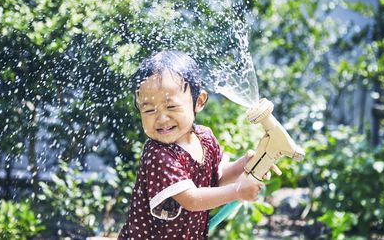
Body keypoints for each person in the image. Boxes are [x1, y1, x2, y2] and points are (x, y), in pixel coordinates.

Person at [118, 50, 281, 240]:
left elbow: (217, 178)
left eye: (171, 106)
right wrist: (238, 191)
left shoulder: (204, 137)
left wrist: (244, 164)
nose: (161, 118)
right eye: (149, 110)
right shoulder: (157, 154)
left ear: (199, 101)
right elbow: (191, 199)